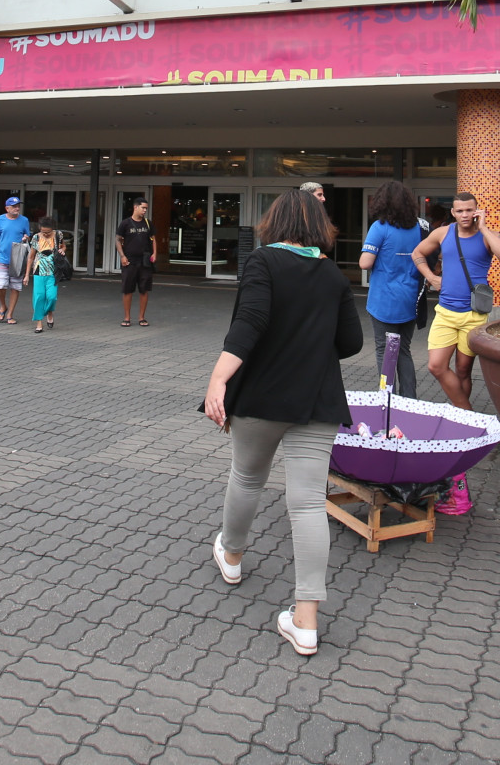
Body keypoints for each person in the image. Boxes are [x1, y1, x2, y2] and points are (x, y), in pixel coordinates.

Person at [202, 190, 362, 657]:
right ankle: (306, 620)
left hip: (261, 396)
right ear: (318, 226)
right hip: (316, 398)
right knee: (308, 504)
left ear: (274, 222)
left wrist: (217, 380)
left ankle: (231, 556)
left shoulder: (262, 262)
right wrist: (309, 343)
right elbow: (350, 342)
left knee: (247, 477)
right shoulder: (331, 272)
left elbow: (249, 322)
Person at [411, 192, 500, 517]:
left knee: (462, 371)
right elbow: (418, 253)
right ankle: (468, 414)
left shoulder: (485, 235)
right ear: (453, 212)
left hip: (474, 315)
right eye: (459, 210)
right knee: (435, 365)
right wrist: (431, 277)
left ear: (476, 210)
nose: (464, 215)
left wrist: (485, 228)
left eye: (469, 210)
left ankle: (461, 420)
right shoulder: (443, 233)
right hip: (446, 312)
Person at [358, 181, 425, 395]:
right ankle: (410, 400)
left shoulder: (380, 227)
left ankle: (387, 401)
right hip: (411, 298)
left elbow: (364, 263)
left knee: (384, 351)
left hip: (383, 300)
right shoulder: (420, 227)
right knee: (403, 350)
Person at [0, 196, 31, 325]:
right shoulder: (0, 219)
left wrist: (26, 238)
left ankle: (10, 314)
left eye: (18, 206)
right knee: (0, 286)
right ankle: (3, 305)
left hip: (17, 259)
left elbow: (27, 236)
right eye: (14, 206)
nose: (17, 208)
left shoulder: (24, 220)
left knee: (15, 287)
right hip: (2, 258)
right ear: (7, 208)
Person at [117, 198, 155, 327]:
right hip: (129, 261)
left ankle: (141, 317)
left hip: (145, 261)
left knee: (144, 289)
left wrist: (154, 253)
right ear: (135, 207)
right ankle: (127, 317)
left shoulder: (148, 223)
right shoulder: (125, 223)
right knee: (128, 289)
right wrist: (122, 256)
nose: (145, 210)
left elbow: (153, 239)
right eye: (143, 208)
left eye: (146, 208)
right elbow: (118, 240)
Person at [30, 217, 67, 334]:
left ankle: (49, 312)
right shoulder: (36, 237)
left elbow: (63, 246)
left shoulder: (58, 235)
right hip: (38, 269)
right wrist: (26, 275)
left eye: (48, 232)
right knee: (39, 297)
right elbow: (31, 256)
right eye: (43, 232)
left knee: (51, 297)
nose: (45, 234)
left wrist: (62, 250)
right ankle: (39, 323)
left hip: (53, 270)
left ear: (53, 230)